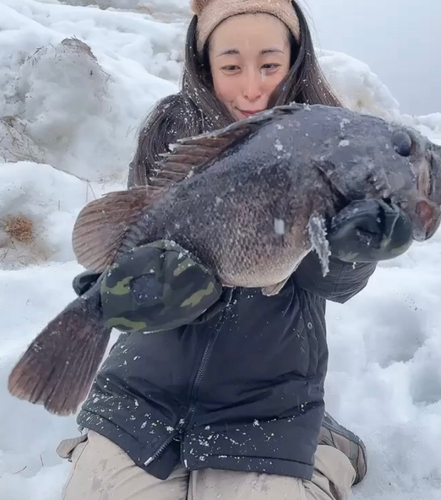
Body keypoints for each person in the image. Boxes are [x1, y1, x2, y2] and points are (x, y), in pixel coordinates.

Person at [57, 1, 409, 499]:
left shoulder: (334, 141)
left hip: (267, 407)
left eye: (269, 64)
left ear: (295, 60)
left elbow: (337, 282)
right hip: (141, 400)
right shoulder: (169, 129)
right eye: (230, 66)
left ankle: (325, 450)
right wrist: (135, 291)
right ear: (204, 65)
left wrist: (352, 251)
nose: (251, 87)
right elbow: (132, 240)